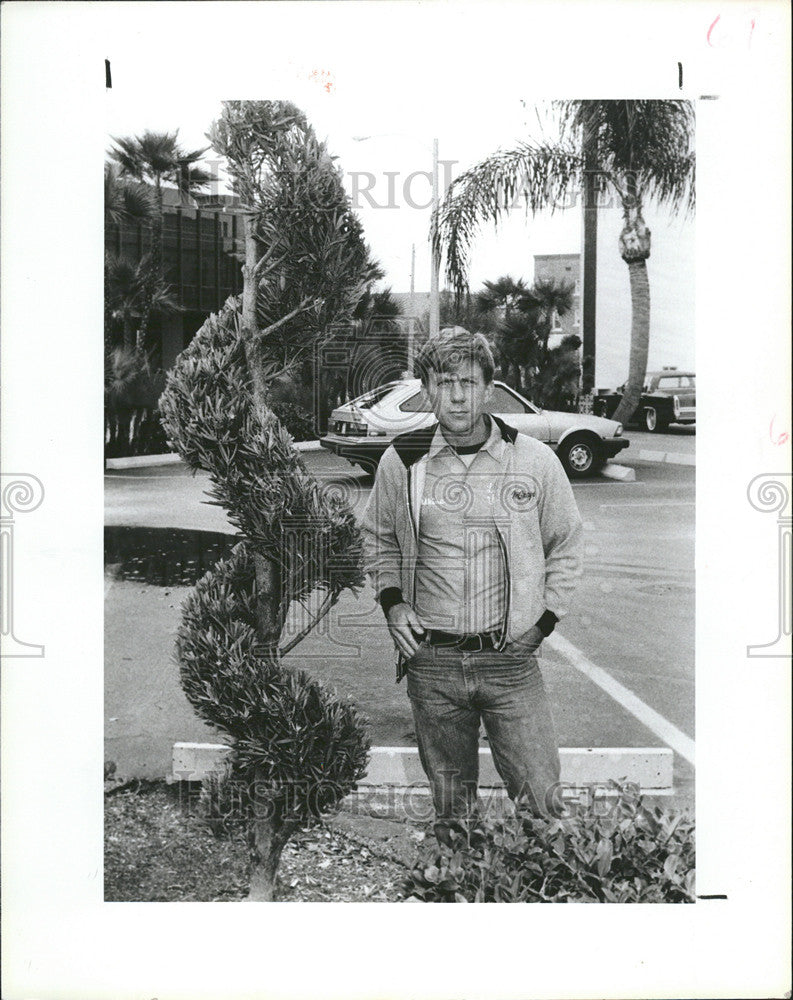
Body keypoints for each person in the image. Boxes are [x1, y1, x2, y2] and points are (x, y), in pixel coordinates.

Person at [360, 327, 583, 839]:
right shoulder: (403, 460)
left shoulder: (533, 460)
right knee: (453, 817)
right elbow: (378, 540)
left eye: (468, 382)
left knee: (544, 806)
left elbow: (566, 545)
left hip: (511, 661)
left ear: (488, 388)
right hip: (432, 663)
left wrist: (542, 624)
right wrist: (393, 605)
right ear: (427, 390)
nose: (457, 395)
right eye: (443, 383)